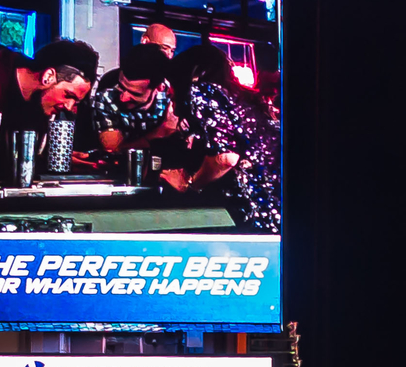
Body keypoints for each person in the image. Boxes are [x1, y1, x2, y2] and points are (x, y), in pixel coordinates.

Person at [164, 45, 280, 234]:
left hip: (256, 211)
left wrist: (189, 183)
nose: (169, 92)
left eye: (171, 84)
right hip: (277, 208)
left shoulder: (203, 90)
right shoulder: (242, 97)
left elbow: (225, 158)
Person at [0, 38, 100, 141]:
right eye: (68, 95)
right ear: (48, 76)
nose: (69, 107)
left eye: (76, 102)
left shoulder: (42, 108)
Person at [89, 43, 184, 159]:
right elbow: (112, 151)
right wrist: (159, 133)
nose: (123, 98)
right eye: (121, 87)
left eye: (135, 93)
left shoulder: (174, 99)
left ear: (159, 88)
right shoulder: (107, 97)